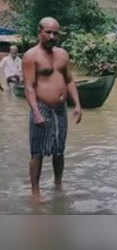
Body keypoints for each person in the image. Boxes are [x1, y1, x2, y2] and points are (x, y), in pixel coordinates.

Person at [22, 17, 82, 203]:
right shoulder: (31, 56)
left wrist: (78, 104)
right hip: (41, 106)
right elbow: (29, 87)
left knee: (59, 150)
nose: (52, 36)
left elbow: (69, 80)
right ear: (39, 32)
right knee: (37, 151)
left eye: (56, 32)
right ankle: (35, 191)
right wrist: (37, 113)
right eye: (48, 32)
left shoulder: (63, 54)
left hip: (60, 108)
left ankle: (58, 183)